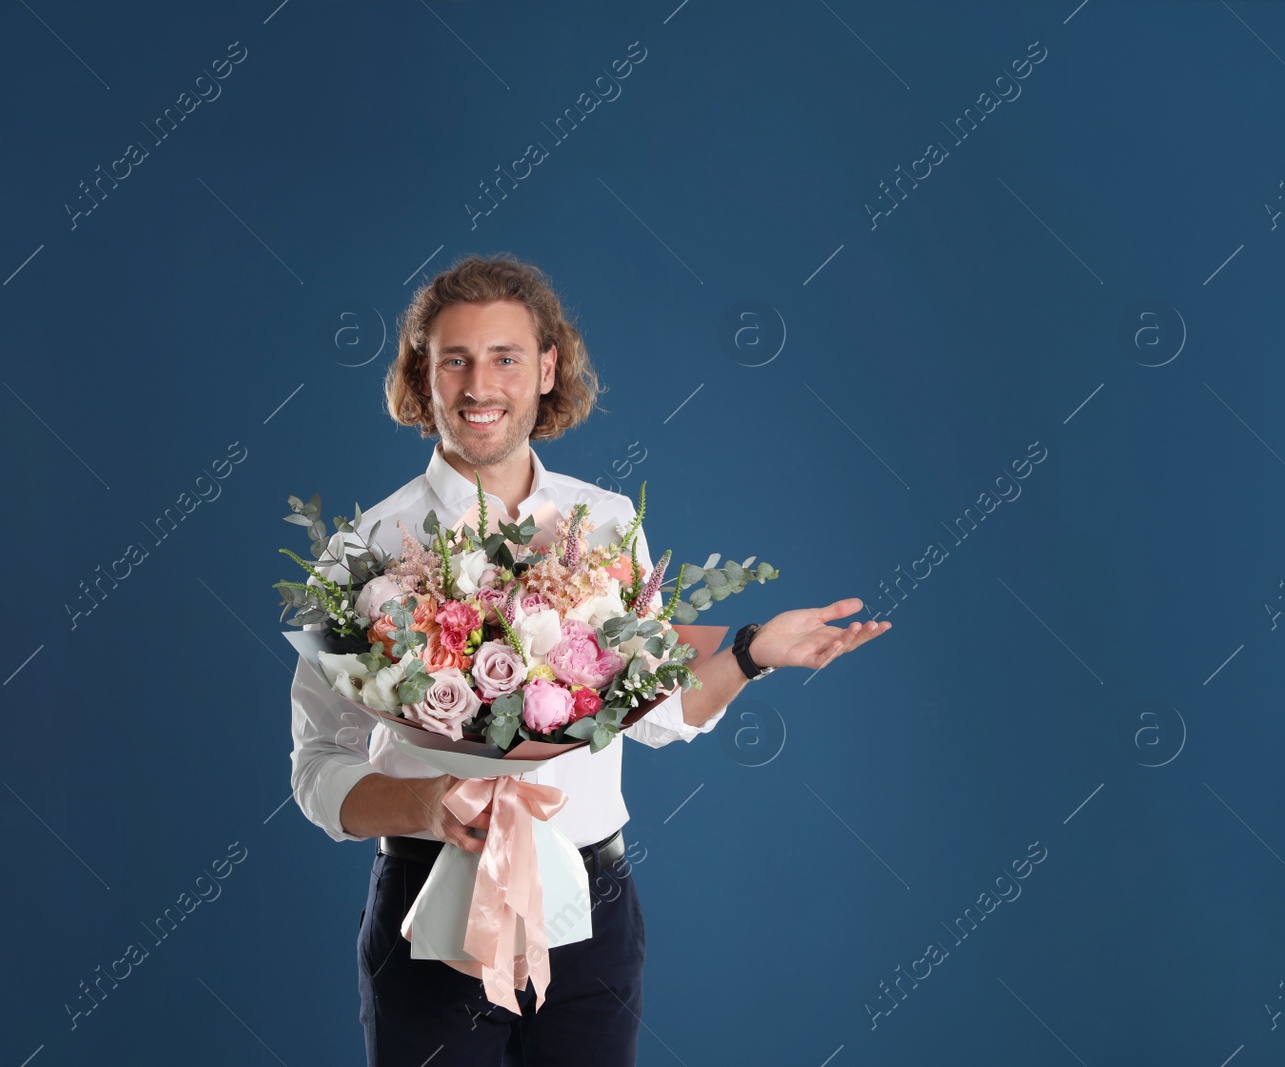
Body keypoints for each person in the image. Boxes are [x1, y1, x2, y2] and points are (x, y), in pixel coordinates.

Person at [289, 253, 889, 1066]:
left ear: (547, 367)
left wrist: (751, 653)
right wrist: (427, 804)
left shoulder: (603, 524)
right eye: (454, 359)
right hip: (429, 905)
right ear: (420, 372)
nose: (479, 386)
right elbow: (317, 768)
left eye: (505, 357)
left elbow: (657, 714)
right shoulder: (361, 554)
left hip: (592, 907)